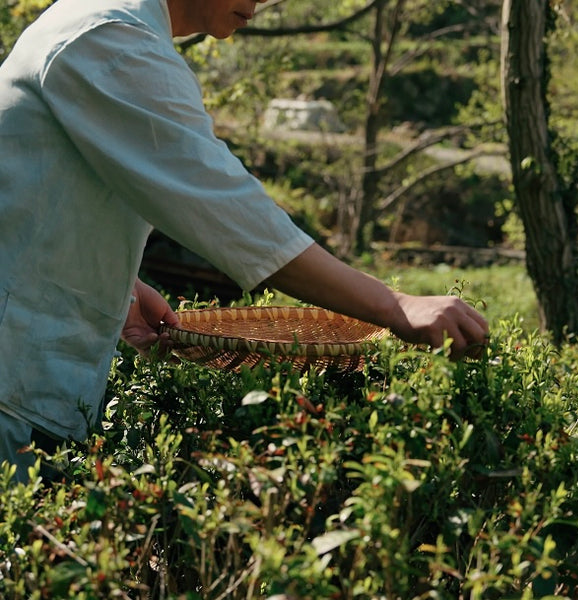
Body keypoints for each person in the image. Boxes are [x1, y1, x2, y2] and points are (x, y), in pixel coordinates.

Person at [0, 0, 489, 483]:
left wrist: (123, 285)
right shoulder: (110, 40)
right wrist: (395, 305)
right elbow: (231, 211)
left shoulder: (102, 24)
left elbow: (46, 194)